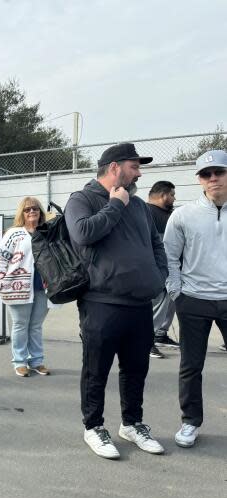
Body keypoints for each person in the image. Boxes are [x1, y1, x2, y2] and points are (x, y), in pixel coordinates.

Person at [65, 142, 167, 460]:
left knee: (136, 369)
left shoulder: (138, 206)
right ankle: (93, 426)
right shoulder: (81, 199)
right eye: (134, 166)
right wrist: (115, 205)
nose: (139, 172)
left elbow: (155, 244)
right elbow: (82, 234)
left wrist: (158, 275)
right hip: (101, 303)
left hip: (139, 304)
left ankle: (132, 423)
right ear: (114, 168)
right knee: (96, 370)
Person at [163, 149, 227, 448]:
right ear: (199, 180)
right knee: (191, 366)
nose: (213, 178)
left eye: (219, 172)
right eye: (206, 174)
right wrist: (177, 292)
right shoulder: (183, 215)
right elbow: (169, 258)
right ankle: (190, 422)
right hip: (194, 301)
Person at [0, 197, 52, 377]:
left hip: (43, 286)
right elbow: (1, 258)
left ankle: (37, 361)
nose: (32, 212)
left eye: (35, 209)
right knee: (20, 325)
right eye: (27, 209)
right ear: (22, 213)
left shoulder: (47, 231)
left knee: (36, 325)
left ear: (40, 212)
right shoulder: (13, 233)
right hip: (18, 285)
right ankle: (19, 361)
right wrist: (2, 280)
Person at [146, 181, 178, 359]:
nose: (174, 198)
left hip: (172, 268)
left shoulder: (168, 214)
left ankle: (160, 334)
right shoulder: (147, 212)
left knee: (171, 300)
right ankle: (146, 341)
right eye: (172, 195)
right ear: (163, 195)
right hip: (156, 269)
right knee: (159, 302)